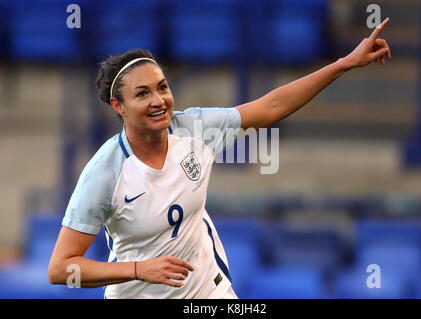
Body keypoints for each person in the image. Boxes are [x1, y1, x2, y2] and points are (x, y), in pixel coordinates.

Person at [48, 18, 392, 299]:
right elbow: (61, 268)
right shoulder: (105, 173)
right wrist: (140, 269)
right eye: (142, 93)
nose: (159, 100)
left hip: (209, 293)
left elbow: (271, 107)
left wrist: (344, 64)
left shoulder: (194, 128)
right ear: (117, 106)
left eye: (163, 87)